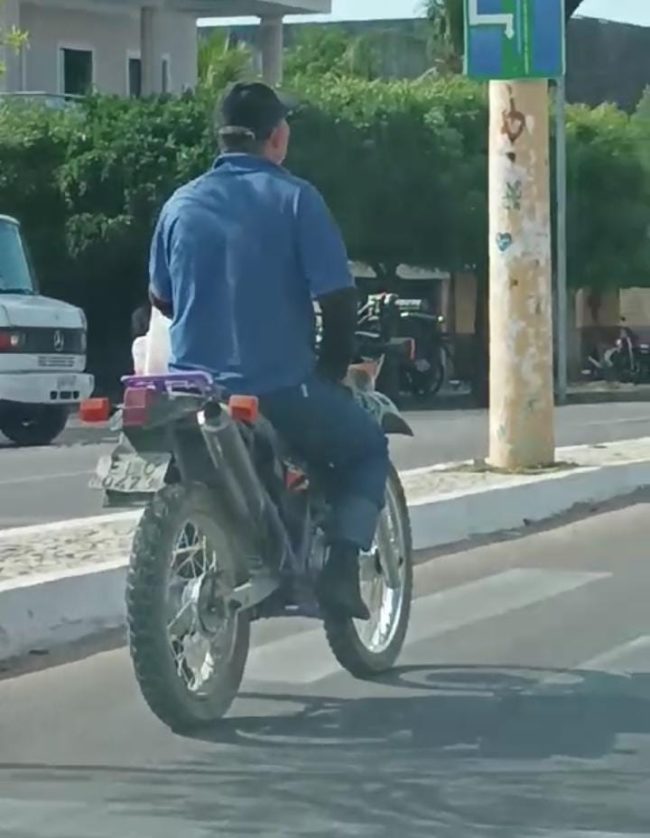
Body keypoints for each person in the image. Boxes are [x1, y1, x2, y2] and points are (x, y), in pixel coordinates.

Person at [148, 81, 390, 620]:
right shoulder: (296, 197)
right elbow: (339, 301)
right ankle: (344, 569)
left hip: (193, 393)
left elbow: (161, 301)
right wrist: (329, 371)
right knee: (367, 448)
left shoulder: (178, 204)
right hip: (280, 388)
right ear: (276, 138)